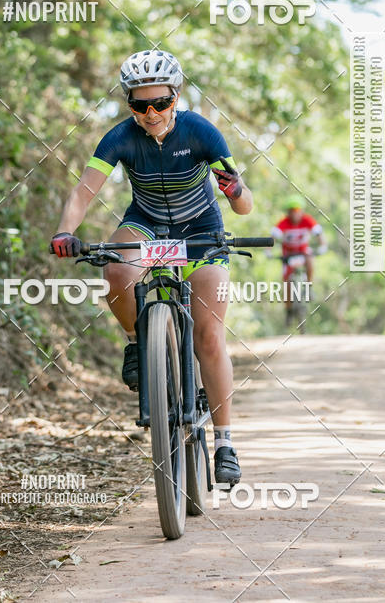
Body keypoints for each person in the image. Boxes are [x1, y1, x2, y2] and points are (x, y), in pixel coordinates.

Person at [50, 49, 253, 485]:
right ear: (129, 105)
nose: (151, 113)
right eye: (140, 105)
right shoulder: (120, 137)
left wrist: (236, 189)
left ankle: (225, 442)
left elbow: (244, 208)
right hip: (147, 226)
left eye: (160, 103)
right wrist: (66, 232)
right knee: (117, 269)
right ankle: (136, 343)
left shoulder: (201, 132)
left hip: (201, 230)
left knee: (209, 336)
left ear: (175, 97)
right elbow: (84, 192)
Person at [271, 195, 327, 324]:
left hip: (303, 252)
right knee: (287, 283)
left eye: (297, 211)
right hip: (288, 254)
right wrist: (269, 251)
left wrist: (323, 246)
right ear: (288, 213)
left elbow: (318, 234)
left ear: (301, 211)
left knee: (310, 257)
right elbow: (273, 237)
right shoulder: (283, 223)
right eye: (291, 211)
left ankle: (309, 286)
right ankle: (289, 310)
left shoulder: (307, 220)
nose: (294, 214)